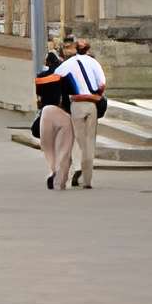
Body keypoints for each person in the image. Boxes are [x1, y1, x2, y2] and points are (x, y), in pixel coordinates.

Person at [57, 33, 106, 190]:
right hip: (91, 104)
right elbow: (102, 84)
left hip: (76, 104)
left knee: (79, 140)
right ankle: (87, 180)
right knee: (90, 141)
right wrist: (95, 95)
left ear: (75, 49)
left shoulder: (69, 63)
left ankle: (78, 169)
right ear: (88, 50)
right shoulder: (94, 63)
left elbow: (55, 78)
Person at [34, 45, 75, 192]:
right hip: (63, 113)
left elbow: (38, 98)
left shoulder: (40, 78)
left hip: (46, 113)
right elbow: (70, 94)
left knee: (48, 147)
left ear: (47, 63)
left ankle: (52, 170)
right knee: (63, 148)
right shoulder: (64, 75)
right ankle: (61, 176)